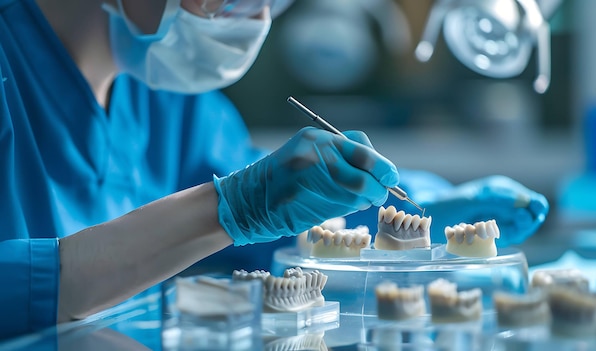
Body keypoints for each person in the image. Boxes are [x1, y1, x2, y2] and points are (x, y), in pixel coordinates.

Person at [0, 0, 548, 340]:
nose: (257, 15)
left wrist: (418, 208)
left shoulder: (173, 103)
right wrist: (230, 208)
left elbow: (264, 234)